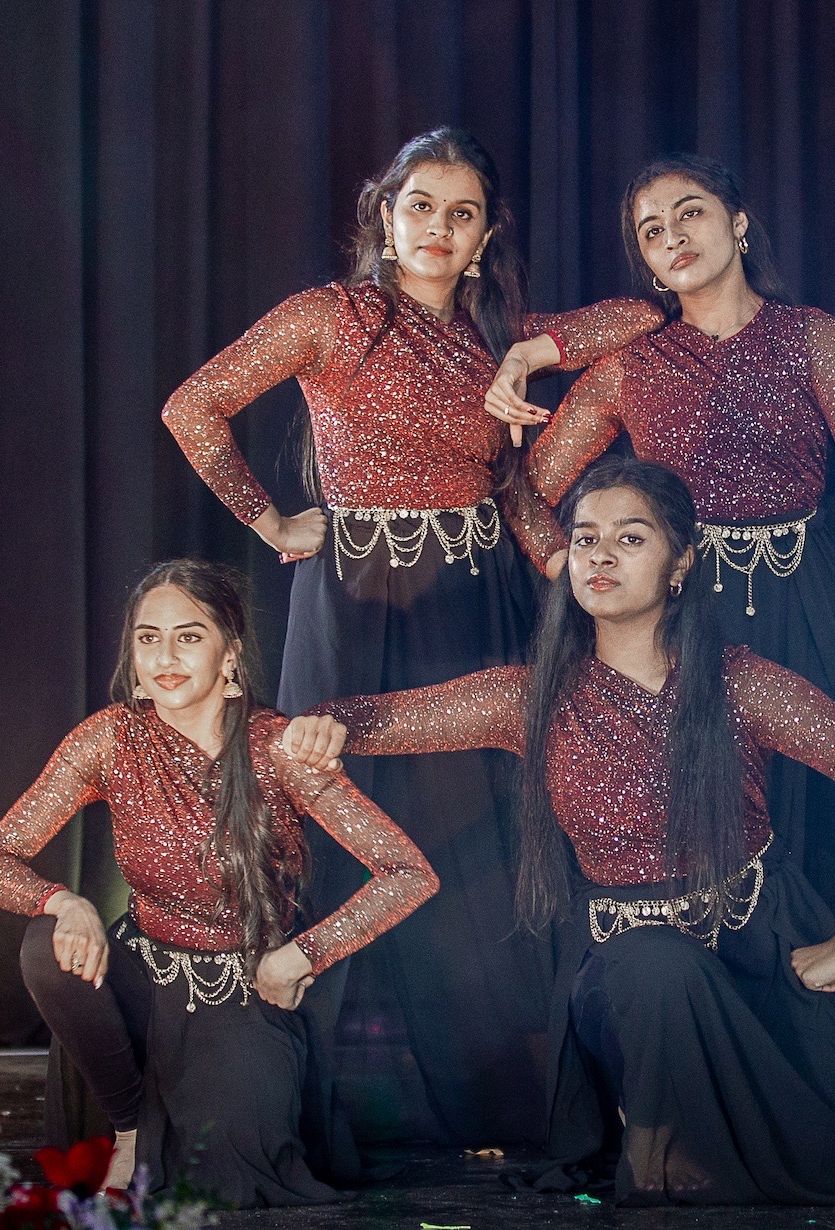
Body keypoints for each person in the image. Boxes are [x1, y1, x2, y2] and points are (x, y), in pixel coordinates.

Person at [160, 127, 659, 1143]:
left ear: (482, 237)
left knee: (483, 838)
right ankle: (304, 1116)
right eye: (420, 206)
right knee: (331, 827)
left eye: (462, 213)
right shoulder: (331, 317)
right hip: (352, 601)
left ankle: (510, 1105)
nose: (438, 227)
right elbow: (193, 405)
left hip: (472, 602)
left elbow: (640, 315)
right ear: (384, 218)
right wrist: (269, 520)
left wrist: (531, 352)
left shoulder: (494, 331)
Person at [285, 459, 835, 1205]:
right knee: (657, 971)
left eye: (630, 539)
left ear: (680, 564)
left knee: (832, 1147)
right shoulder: (534, 699)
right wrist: (325, 723)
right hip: (630, 974)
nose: (600, 556)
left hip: (762, 959)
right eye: (585, 539)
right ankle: (660, 1141)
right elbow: (381, 718)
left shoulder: (741, 684)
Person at [516, 155, 835, 1147]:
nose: (673, 238)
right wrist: (573, 567)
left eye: (689, 213)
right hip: (692, 626)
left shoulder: (811, 336)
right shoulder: (631, 365)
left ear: (739, 223)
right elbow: (530, 486)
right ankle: (740, 1076)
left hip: (815, 607)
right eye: (651, 230)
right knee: (737, 843)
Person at [0, 560, 438, 1206]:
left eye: (188, 637)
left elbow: (407, 873)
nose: (165, 657)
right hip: (139, 979)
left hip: (247, 984)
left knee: (233, 1178)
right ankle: (128, 1124)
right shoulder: (109, 739)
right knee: (46, 944)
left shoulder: (278, 748)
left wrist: (306, 953)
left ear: (229, 653)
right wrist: (64, 901)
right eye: (148, 638)